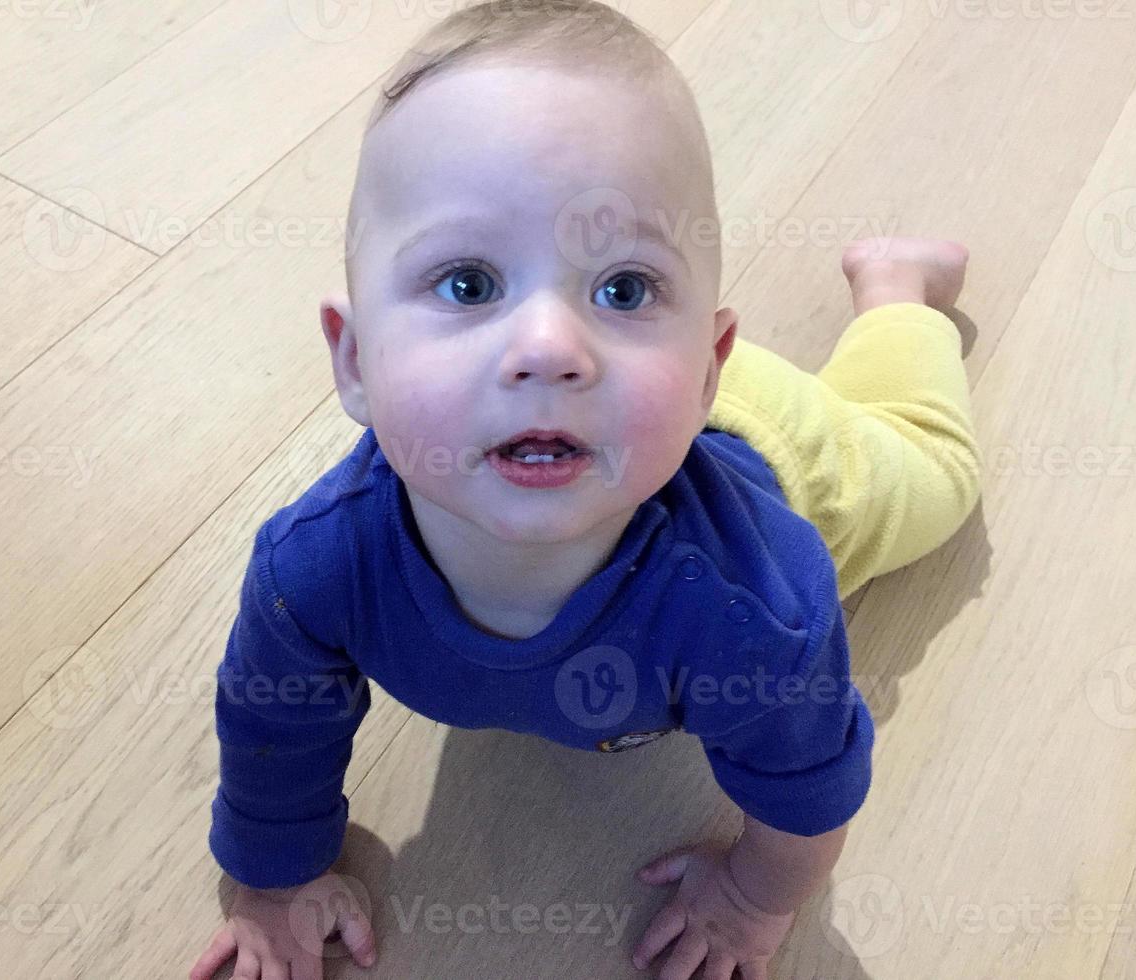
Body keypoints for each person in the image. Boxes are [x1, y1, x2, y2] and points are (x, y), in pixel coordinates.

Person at [191, 2, 981, 978]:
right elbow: (275, 717)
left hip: (776, 451)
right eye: (470, 283)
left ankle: (898, 299)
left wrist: (746, 896)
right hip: (633, 421)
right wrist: (271, 876)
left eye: (622, 287)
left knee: (936, 478)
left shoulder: (756, 607)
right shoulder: (314, 567)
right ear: (353, 360)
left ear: (705, 365)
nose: (550, 348)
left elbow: (803, 791)